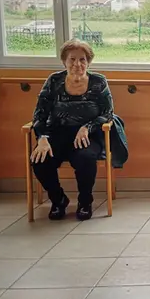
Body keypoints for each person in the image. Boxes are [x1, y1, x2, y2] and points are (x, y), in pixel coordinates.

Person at [30, 39, 113, 221]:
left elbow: (108, 113)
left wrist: (86, 127)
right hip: (56, 133)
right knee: (40, 160)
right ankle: (58, 200)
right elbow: (39, 114)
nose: (77, 64)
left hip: (88, 135)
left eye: (82, 59)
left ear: (88, 61)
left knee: (85, 158)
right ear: (64, 62)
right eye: (72, 59)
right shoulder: (54, 81)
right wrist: (42, 138)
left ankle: (85, 202)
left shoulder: (98, 81)